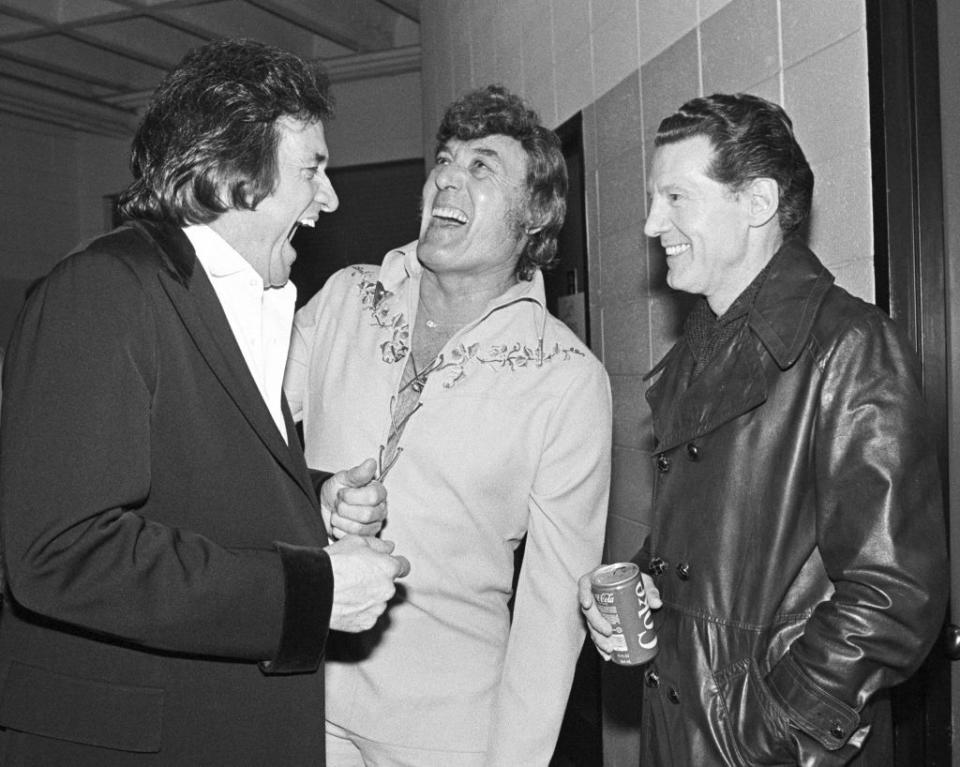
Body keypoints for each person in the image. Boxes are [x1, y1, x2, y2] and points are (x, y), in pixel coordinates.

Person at [0, 39, 409, 766]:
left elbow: (186, 488)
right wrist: (308, 592)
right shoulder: (101, 291)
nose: (330, 198)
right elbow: (60, 550)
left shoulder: (245, 300)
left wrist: (312, 502)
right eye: (312, 169)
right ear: (230, 171)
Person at [579, 92, 947, 765]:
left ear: (756, 203)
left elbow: (895, 594)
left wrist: (771, 734)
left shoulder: (849, 345)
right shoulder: (701, 353)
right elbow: (717, 559)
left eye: (676, 198)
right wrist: (635, 584)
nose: (651, 222)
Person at [285, 84, 612, 766]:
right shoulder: (346, 295)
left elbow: (553, 609)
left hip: (447, 732)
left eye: (481, 166)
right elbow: (256, 447)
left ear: (534, 215)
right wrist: (317, 494)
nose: (446, 177)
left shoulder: (565, 376)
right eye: (444, 158)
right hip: (300, 695)